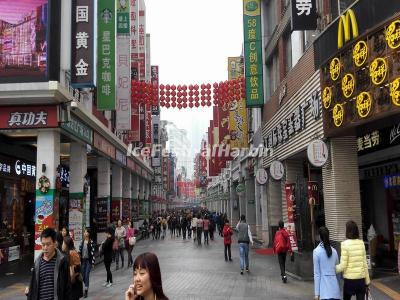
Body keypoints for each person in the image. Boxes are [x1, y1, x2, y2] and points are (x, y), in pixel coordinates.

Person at [26, 227, 71, 300]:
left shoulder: (62, 262)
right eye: (43, 244)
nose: (45, 248)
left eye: (48, 244)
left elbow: (67, 288)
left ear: (54, 243)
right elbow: (33, 287)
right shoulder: (37, 263)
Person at [336, 220, 370, 300]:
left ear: (347, 231)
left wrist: (332, 269)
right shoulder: (361, 243)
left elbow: (343, 265)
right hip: (361, 280)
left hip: (349, 281)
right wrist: (367, 281)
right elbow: (365, 264)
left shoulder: (344, 244)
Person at [313, 227, 341, 300]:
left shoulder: (316, 252)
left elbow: (317, 274)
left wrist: (316, 294)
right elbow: (337, 271)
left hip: (324, 292)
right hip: (335, 291)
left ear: (319, 237)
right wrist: (338, 287)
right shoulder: (334, 251)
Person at [79, 228, 96, 298]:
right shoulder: (82, 242)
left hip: (88, 261)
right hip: (83, 261)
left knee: (86, 275)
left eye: (86, 232)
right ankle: (86, 285)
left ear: (88, 234)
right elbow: (79, 252)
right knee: (83, 276)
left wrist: (93, 263)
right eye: (84, 232)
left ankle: (86, 290)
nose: (85, 233)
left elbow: (93, 253)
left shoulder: (91, 242)